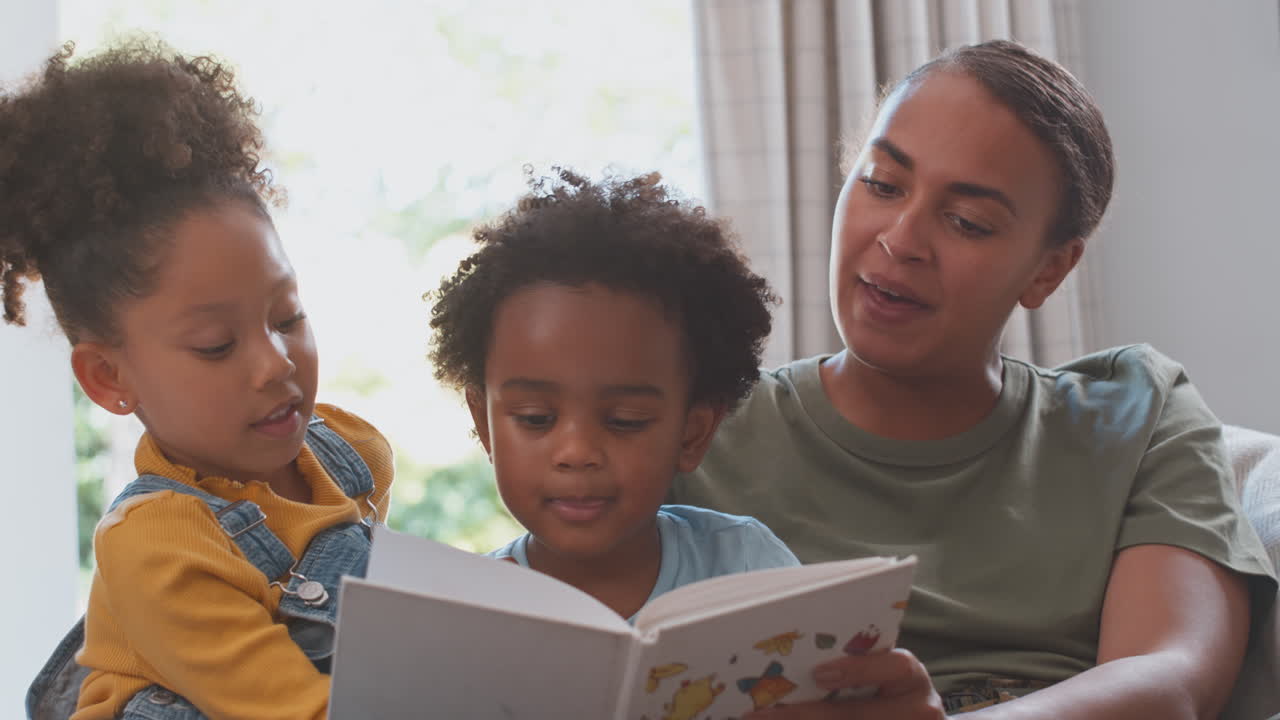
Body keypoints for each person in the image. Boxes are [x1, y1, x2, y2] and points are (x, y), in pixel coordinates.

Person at [671, 39, 1277, 719]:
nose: (901, 239)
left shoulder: (1139, 418)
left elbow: (1172, 680)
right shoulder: (698, 432)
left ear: (1049, 270)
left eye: (967, 221)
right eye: (882, 183)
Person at [4, 41, 394, 719]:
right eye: (217, 346)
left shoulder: (353, 455)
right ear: (107, 377)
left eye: (288, 316)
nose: (275, 362)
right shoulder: (155, 546)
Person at [426, 168, 799, 620]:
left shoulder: (745, 565)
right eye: (535, 417)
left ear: (692, 434)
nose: (577, 452)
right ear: (484, 425)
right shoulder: (466, 613)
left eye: (625, 420)